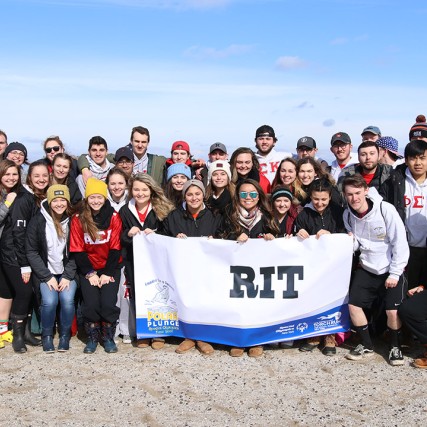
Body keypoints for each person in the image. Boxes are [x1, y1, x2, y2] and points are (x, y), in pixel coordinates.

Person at [342, 175, 409, 365]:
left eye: (357, 193)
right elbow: (357, 244)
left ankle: (395, 347)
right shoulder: (347, 214)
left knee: (392, 311)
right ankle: (367, 345)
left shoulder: (385, 209)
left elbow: (400, 242)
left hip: (391, 267)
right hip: (368, 266)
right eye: (349, 194)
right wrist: (350, 241)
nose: (354, 198)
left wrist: (395, 272)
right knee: (353, 305)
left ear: (365, 190)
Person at [219, 179, 279, 357]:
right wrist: (233, 236)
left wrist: (271, 236)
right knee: (237, 306)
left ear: (259, 196)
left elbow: (279, 239)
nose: (248, 198)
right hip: (236, 270)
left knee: (257, 306)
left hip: (260, 272)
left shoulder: (267, 215)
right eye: (243, 194)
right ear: (237, 196)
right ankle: (237, 341)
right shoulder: (229, 214)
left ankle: (256, 341)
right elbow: (219, 237)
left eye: (253, 194)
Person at [163, 180, 222, 355]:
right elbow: (163, 238)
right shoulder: (174, 216)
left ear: (203, 195)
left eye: (197, 194)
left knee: (204, 301)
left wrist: (216, 240)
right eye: (189, 194)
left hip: (207, 269)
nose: (194, 198)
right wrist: (175, 239)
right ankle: (188, 337)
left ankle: (203, 338)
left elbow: (224, 237)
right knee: (185, 301)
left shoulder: (214, 215)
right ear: (184, 196)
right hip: (183, 268)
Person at [120, 174, 175, 349]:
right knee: (138, 294)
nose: (140, 193)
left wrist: (156, 235)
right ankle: (143, 332)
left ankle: (158, 334)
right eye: (136, 189)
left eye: (144, 189)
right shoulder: (124, 210)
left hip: (157, 262)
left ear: (151, 191)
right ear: (131, 191)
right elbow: (118, 236)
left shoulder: (163, 209)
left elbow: (169, 235)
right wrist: (128, 234)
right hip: (133, 261)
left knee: (159, 295)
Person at [0, 160, 50, 352]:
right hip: (12, 252)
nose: (41, 179)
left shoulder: (33, 196)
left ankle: (27, 332)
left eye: (44, 175)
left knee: (27, 290)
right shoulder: (22, 198)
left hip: (24, 252)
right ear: (29, 177)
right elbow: (19, 234)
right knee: (23, 291)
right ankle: (18, 336)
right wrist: (24, 264)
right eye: (36, 175)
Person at [69, 178, 122, 354]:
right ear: (86, 198)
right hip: (88, 268)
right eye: (92, 197)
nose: (96, 201)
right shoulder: (79, 219)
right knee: (91, 304)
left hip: (109, 267)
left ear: (105, 198)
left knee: (107, 303)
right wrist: (91, 274)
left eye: (99, 197)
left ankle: (107, 336)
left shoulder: (113, 217)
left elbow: (115, 247)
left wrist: (106, 273)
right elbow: (77, 249)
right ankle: (92, 337)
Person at [294, 179, 345, 356]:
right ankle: (313, 335)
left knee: (333, 300)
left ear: (330, 197)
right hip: (312, 267)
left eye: (324, 199)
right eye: (316, 199)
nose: (320, 203)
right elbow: (295, 236)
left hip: (335, 266)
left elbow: (347, 236)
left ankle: (330, 335)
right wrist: (298, 233)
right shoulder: (304, 214)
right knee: (312, 299)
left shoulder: (339, 212)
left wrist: (332, 236)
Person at [25, 185, 77, 353]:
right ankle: (47, 335)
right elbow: (31, 251)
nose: (59, 203)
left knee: (67, 300)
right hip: (46, 272)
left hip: (67, 272)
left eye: (63, 200)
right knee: (49, 301)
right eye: (55, 200)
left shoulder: (74, 221)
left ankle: (64, 335)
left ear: (68, 202)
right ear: (49, 201)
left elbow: (78, 251)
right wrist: (47, 277)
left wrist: (68, 276)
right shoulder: (38, 220)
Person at [380, 140, 427, 295]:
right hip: (405, 249)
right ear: (406, 160)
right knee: (405, 293)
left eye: (423, 158)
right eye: (413, 158)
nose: (418, 163)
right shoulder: (395, 181)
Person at [0, 160, 20, 348]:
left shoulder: (16, 193)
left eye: (14, 174)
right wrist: (7, 203)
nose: (11, 178)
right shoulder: (6, 196)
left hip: (8, 249)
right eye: (7, 174)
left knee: (5, 290)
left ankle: (3, 330)